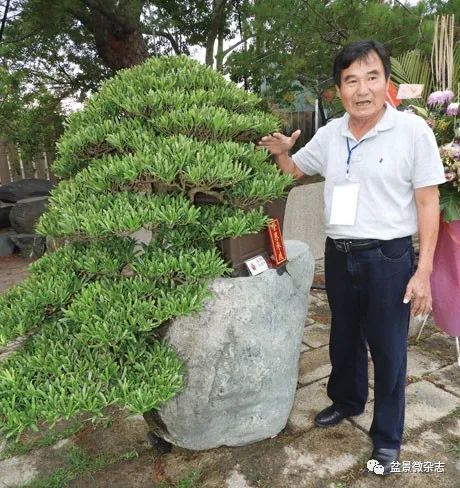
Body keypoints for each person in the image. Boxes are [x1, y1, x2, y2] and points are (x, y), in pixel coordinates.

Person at [258, 39, 446, 475]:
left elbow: (428, 202)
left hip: (389, 258)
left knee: (388, 349)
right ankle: (346, 400)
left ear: (387, 83)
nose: (362, 89)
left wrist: (423, 271)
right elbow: (295, 171)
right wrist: (283, 152)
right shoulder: (331, 133)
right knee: (343, 337)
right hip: (339, 255)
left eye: (372, 77)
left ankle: (386, 439)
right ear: (338, 90)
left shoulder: (412, 133)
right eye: (351, 80)